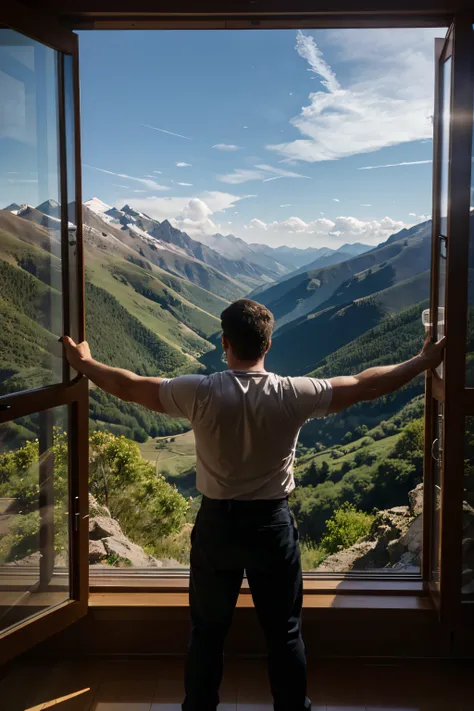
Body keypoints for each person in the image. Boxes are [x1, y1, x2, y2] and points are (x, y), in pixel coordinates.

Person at [62, 298, 445, 711]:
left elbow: (128, 385)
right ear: (268, 343)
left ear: (225, 342)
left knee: (207, 632)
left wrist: (85, 363)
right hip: (272, 525)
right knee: (284, 632)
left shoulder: (199, 391)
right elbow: (366, 384)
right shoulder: (293, 393)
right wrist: (421, 361)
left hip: (216, 526)